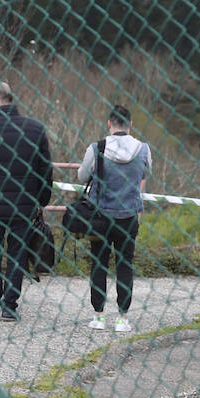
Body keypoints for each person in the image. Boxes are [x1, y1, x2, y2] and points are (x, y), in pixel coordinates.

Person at [0, 81, 54, 322]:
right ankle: (10, 306)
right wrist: (40, 200)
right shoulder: (35, 129)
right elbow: (45, 170)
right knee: (17, 253)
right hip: (24, 204)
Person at [78, 104, 152, 333]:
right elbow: (145, 174)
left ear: (109, 124)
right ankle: (122, 318)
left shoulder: (97, 147)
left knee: (98, 264)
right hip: (129, 216)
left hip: (101, 216)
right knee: (125, 265)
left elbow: (82, 176)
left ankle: (98, 316)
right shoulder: (143, 149)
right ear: (130, 124)